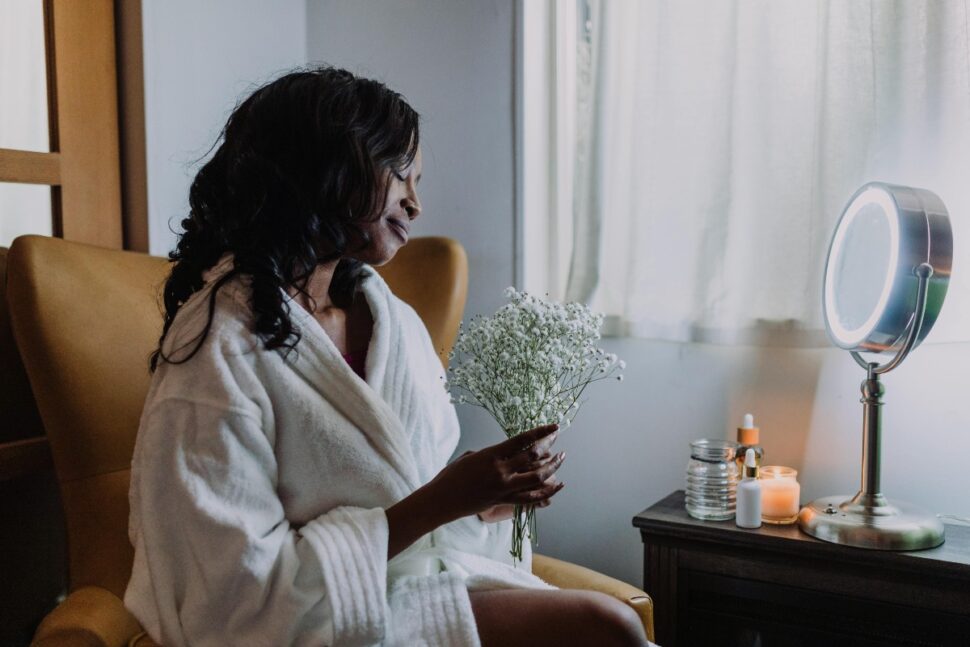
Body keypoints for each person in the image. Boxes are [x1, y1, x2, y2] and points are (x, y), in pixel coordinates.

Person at [124, 66, 648, 646]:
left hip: (404, 588)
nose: (417, 203)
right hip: (318, 622)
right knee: (610, 624)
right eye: (400, 175)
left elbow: (411, 495)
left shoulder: (393, 321)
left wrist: (481, 504)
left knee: (611, 625)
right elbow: (232, 596)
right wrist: (443, 500)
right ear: (325, 169)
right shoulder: (217, 347)